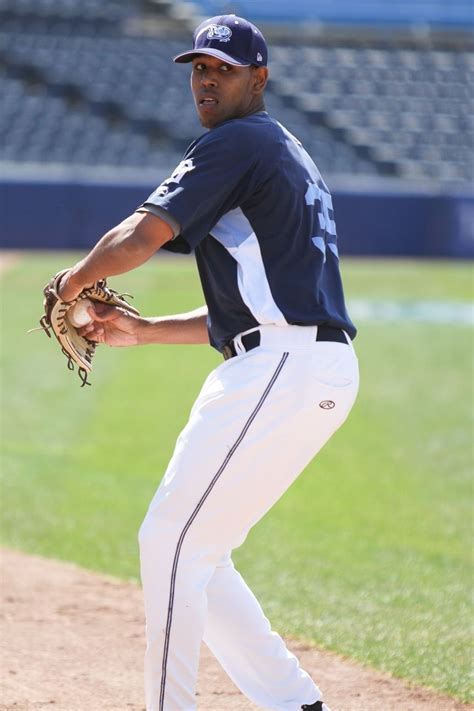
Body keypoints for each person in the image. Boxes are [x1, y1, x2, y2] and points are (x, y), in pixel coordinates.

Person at [58, 15, 359, 711]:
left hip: (284, 366)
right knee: (200, 548)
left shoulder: (239, 140)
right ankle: (294, 701)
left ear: (259, 78)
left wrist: (71, 282)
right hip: (301, 361)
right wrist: (143, 329)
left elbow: (143, 232)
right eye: (199, 68)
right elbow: (260, 309)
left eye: (222, 68)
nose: (206, 80)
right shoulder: (282, 149)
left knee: (168, 540)